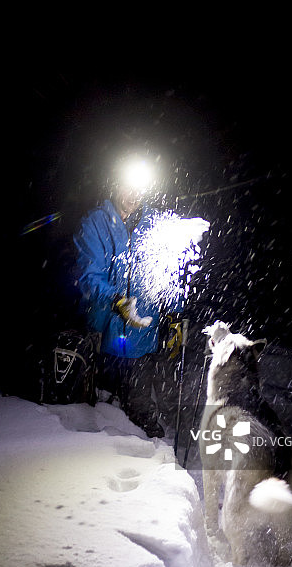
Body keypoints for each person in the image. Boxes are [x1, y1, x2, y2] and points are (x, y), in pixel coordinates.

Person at [73, 156, 208, 437]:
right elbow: (89, 275)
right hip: (104, 334)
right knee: (99, 412)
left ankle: (148, 454)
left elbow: (167, 277)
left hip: (142, 337)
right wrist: (116, 301)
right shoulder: (95, 223)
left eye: (139, 188)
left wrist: (173, 315)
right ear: (115, 186)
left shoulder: (154, 225)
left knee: (141, 412)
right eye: (127, 186)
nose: (133, 195)